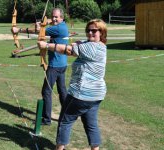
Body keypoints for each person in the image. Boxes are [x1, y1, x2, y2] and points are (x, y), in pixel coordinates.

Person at [37, 19, 107, 150]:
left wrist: (46, 46)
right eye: (88, 30)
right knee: (91, 125)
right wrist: (81, 43)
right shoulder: (101, 46)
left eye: (94, 30)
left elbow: (68, 50)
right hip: (96, 95)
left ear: (102, 32)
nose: (90, 33)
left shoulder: (91, 47)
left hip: (81, 94)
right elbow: (82, 47)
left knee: (65, 121)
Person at [12, 8, 69, 125]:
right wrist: (44, 23)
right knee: (62, 91)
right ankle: (67, 115)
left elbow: (39, 32)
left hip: (55, 66)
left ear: (62, 18)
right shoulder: (63, 26)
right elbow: (45, 26)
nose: (54, 19)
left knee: (46, 91)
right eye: (52, 16)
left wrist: (18, 30)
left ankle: (47, 119)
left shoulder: (57, 28)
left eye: (56, 17)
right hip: (62, 65)